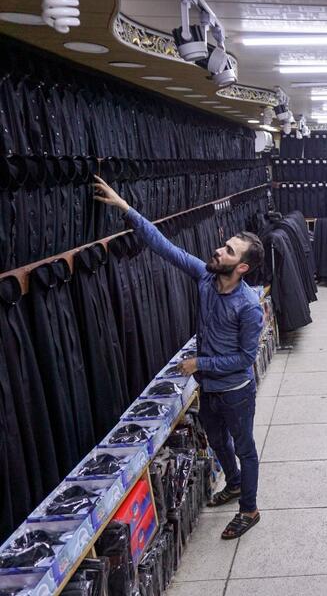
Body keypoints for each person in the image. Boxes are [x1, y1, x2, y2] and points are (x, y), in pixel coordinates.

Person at [93, 175, 265, 539]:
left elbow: (244, 358)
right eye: (224, 245)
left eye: (228, 251)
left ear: (242, 268)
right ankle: (234, 483)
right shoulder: (205, 277)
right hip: (209, 388)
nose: (218, 250)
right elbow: (164, 247)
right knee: (217, 441)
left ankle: (249, 509)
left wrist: (199, 363)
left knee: (245, 448)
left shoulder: (249, 306)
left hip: (235, 392)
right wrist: (125, 208)